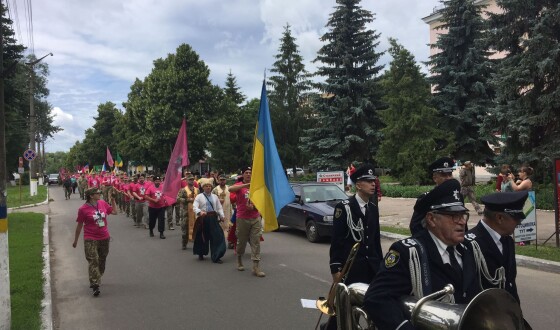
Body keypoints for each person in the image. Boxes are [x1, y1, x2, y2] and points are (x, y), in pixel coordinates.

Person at [363, 179, 479, 330]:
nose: (462, 222)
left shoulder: (467, 250)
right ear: (431, 219)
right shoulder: (408, 253)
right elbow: (376, 298)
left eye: (463, 215)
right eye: (453, 216)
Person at [322, 164, 383, 330]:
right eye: (368, 181)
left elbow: (375, 240)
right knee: (345, 306)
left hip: (372, 267)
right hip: (353, 268)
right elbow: (337, 240)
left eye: (374, 181)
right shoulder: (344, 207)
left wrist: (381, 265)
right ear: (358, 185)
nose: (373, 184)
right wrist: (335, 267)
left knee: (376, 305)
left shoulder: (372, 208)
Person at [465, 191, 529, 304]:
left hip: (507, 314)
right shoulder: (469, 244)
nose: (519, 223)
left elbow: (510, 284)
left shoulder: (507, 240)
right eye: (516, 218)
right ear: (499, 218)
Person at [72, 187, 117, 297]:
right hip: (90, 237)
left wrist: (113, 200)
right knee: (93, 260)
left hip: (104, 237)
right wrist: (75, 241)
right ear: (91, 196)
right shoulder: (83, 209)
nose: (100, 194)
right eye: (97, 193)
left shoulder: (102, 203)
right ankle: (95, 284)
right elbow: (79, 226)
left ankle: (98, 276)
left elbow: (115, 212)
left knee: (102, 259)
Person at [229, 166, 265, 277]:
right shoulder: (239, 186)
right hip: (242, 218)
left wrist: (254, 208)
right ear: (243, 174)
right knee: (241, 242)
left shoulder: (257, 186)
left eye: (250, 172)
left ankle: (256, 267)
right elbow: (230, 189)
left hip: (255, 217)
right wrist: (246, 185)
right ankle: (239, 259)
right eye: (246, 172)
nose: (248, 174)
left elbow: (261, 201)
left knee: (256, 242)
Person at [409, 157, 461, 235]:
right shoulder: (427, 198)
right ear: (435, 178)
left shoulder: (457, 196)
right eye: (443, 175)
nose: (448, 178)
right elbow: (415, 226)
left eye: (450, 174)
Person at [192, 178, 227, 263]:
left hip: (213, 218)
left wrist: (222, 216)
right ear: (203, 187)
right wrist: (200, 212)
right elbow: (195, 207)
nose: (208, 187)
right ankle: (201, 253)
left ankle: (216, 256)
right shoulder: (199, 196)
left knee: (217, 236)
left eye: (209, 186)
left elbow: (219, 207)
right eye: (206, 186)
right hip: (203, 218)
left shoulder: (215, 197)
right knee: (202, 236)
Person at [177, 174, 199, 250]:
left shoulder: (197, 189)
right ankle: (184, 243)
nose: (191, 181)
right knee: (185, 229)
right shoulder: (183, 190)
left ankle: (196, 243)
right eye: (190, 180)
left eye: (192, 180)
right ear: (186, 181)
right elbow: (178, 199)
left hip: (195, 212)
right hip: (185, 212)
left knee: (196, 228)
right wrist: (187, 200)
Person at [212, 174, 232, 240]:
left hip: (228, 210)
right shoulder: (215, 189)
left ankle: (229, 241)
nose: (222, 181)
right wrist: (217, 200)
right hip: (219, 211)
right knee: (219, 226)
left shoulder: (229, 188)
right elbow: (211, 200)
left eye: (223, 180)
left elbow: (233, 198)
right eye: (221, 180)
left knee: (229, 225)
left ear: (226, 180)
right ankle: (219, 241)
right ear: (218, 180)